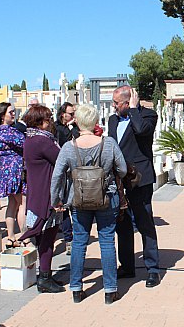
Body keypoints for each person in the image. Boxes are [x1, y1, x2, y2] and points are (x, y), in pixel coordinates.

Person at [51, 104, 127, 304]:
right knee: (107, 240)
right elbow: (124, 169)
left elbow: (57, 175)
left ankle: (76, 287)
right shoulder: (108, 143)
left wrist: (56, 199)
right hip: (106, 197)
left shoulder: (69, 147)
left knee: (79, 241)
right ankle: (110, 290)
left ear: (77, 121)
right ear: (95, 122)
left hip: (79, 198)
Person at [108, 86, 161, 288]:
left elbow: (141, 131)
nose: (113, 107)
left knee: (144, 222)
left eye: (116, 103)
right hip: (119, 181)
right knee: (122, 224)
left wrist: (133, 110)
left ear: (128, 102)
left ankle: (153, 269)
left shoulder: (147, 115)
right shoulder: (113, 120)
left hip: (140, 179)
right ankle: (127, 265)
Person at [19, 105, 64, 293]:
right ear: (39, 121)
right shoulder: (42, 141)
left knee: (44, 236)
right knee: (48, 235)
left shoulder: (30, 139)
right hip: (46, 194)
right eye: (47, 119)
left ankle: (44, 274)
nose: (50, 122)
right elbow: (61, 159)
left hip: (36, 193)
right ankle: (44, 277)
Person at [0, 102, 27, 248]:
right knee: (23, 203)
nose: (13, 114)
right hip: (14, 170)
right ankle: (25, 237)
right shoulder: (6, 131)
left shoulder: (3, 130)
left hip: (8, 170)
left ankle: (11, 237)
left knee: (13, 204)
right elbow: (24, 142)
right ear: (2, 115)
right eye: (10, 112)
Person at [54, 102, 80, 255]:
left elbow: (78, 139)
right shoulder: (57, 128)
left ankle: (75, 237)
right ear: (63, 113)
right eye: (71, 113)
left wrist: (72, 126)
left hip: (74, 171)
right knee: (63, 206)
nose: (73, 116)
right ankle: (68, 239)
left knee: (75, 206)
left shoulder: (73, 127)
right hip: (63, 170)